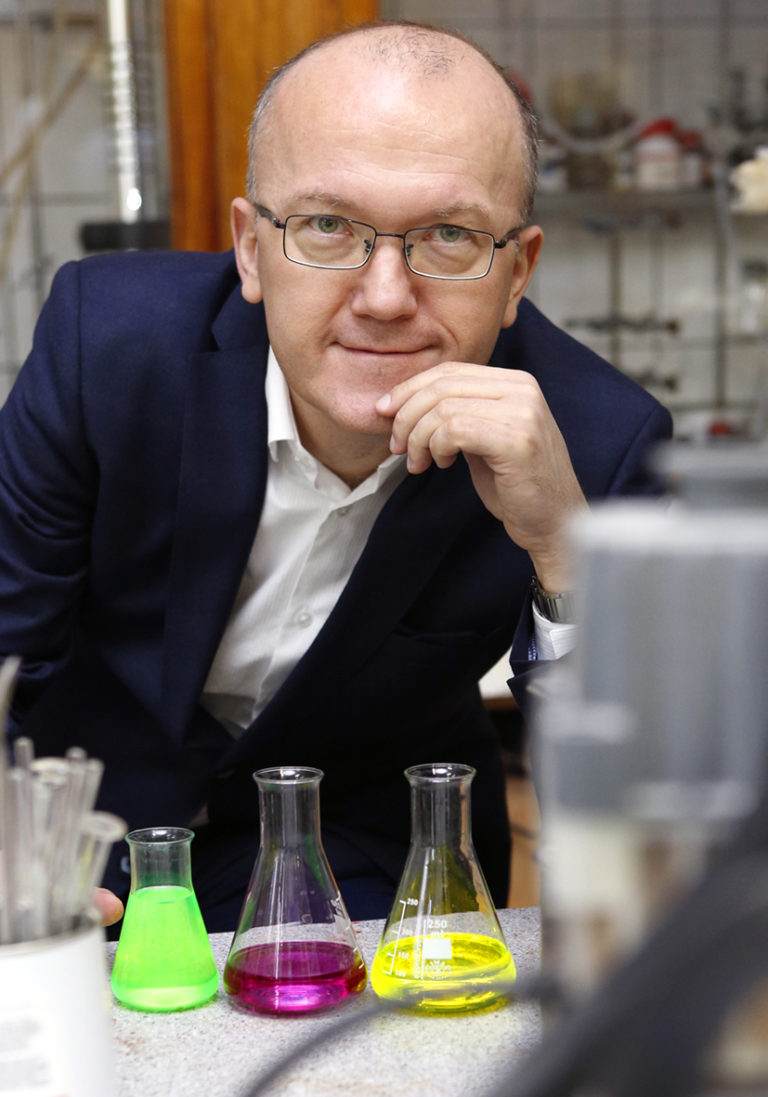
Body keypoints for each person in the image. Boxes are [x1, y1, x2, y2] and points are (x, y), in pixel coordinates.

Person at [0, 21, 671, 932]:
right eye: (326, 225)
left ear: (519, 270)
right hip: (83, 829)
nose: (385, 297)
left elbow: (644, 824)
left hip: (369, 848)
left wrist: (563, 548)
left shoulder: (598, 442)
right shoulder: (108, 343)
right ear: (250, 247)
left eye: (448, 234)